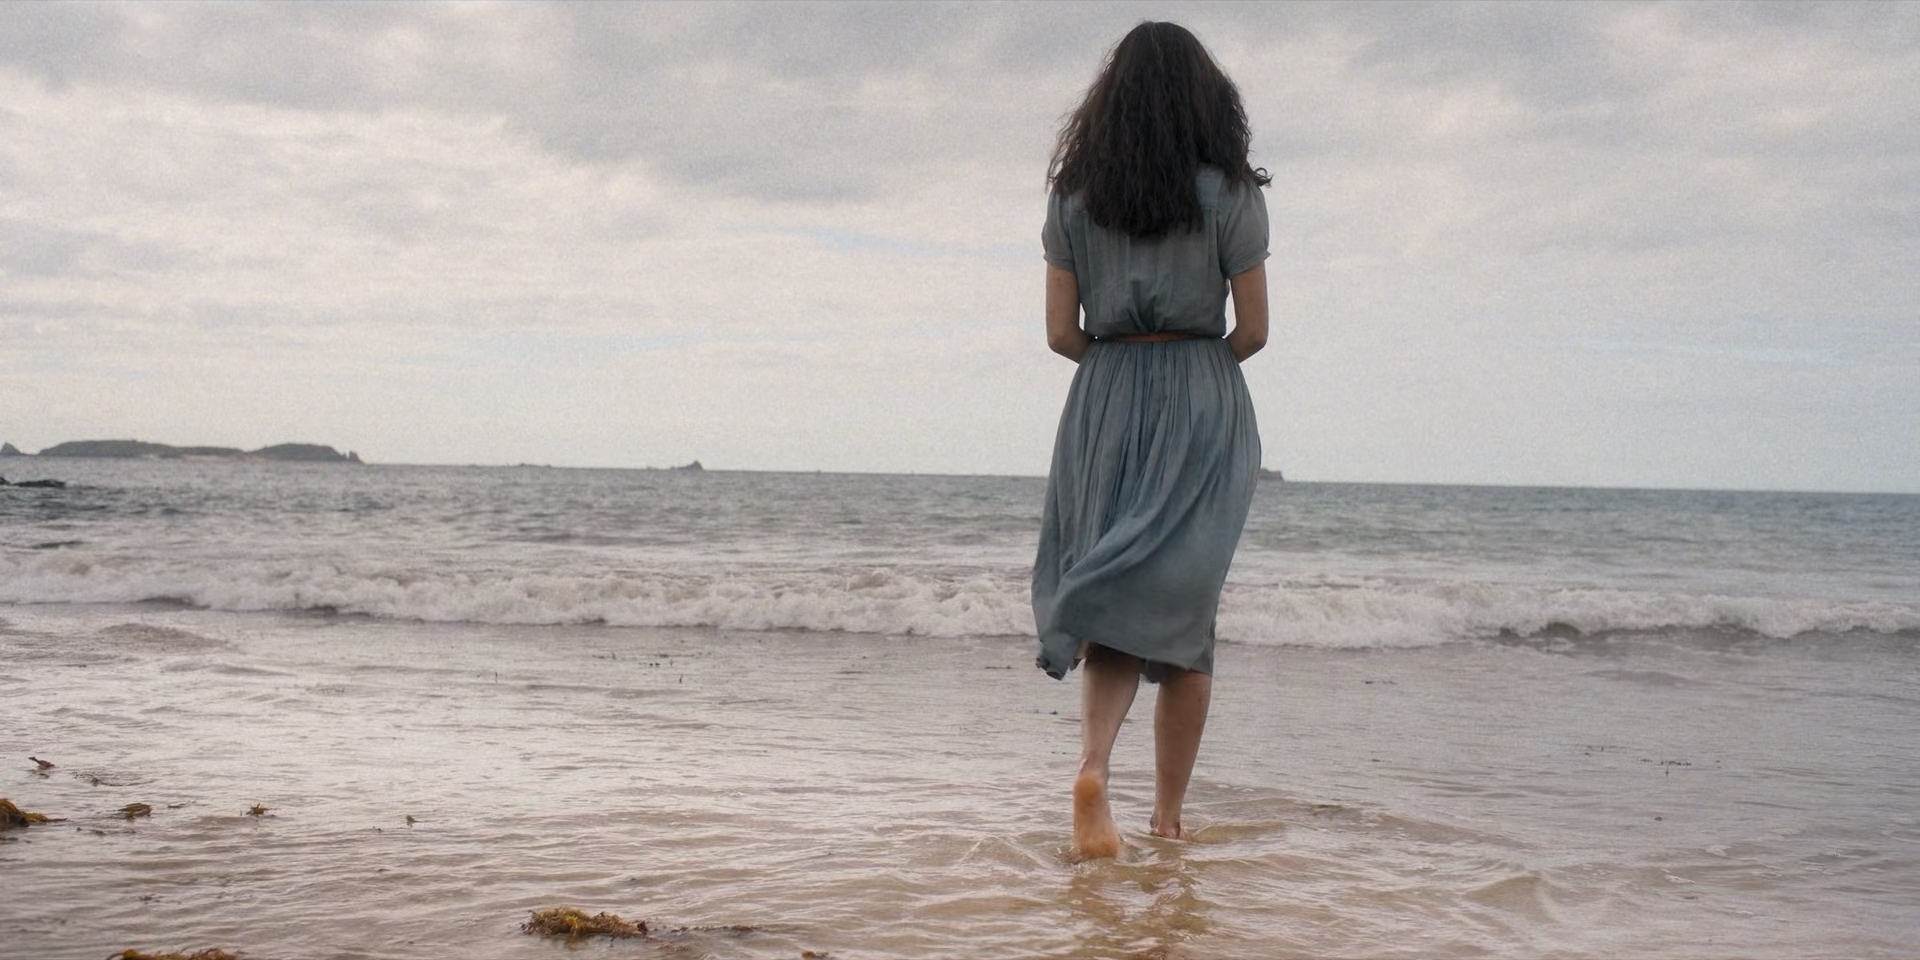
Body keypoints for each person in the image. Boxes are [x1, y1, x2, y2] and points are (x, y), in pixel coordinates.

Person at [1031, 21, 1269, 860]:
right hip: (1200, 391)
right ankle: (1167, 821)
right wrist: (1196, 373)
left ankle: (1093, 766)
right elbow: (1255, 330)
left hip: (1104, 397)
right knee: (1187, 615)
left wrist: (1120, 372)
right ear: (1207, 100)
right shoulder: (1229, 193)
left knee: (1115, 601)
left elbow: (1060, 333)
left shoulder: (1073, 197)